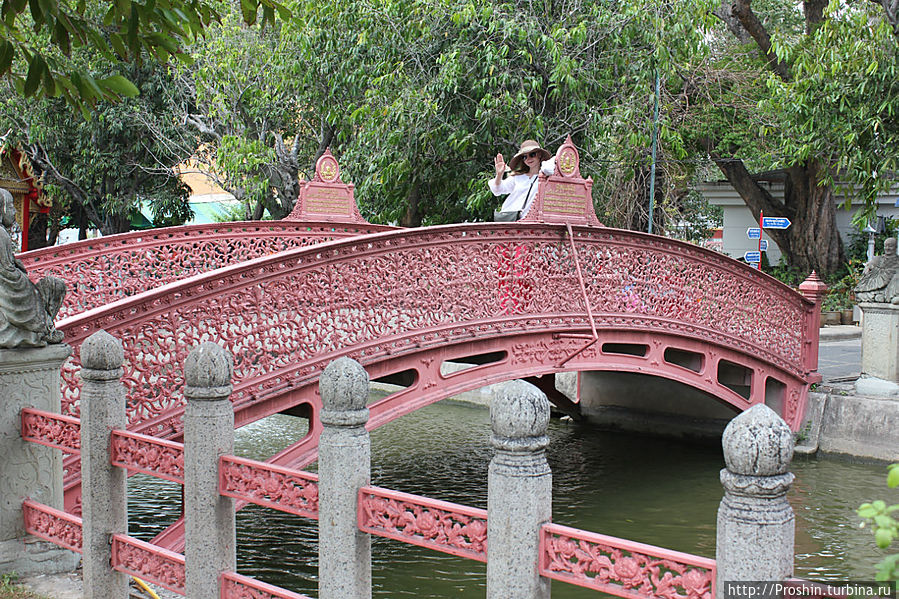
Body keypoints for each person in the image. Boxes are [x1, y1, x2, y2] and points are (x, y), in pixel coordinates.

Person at [489, 140, 555, 220]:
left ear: (539, 155)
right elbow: (497, 190)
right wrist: (499, 174)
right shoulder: (518, 177)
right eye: (524, 157)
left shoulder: (546, 176)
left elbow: (550, 166)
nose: (528, 159)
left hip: (532, 221)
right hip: (512, 219)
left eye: (532, 154)